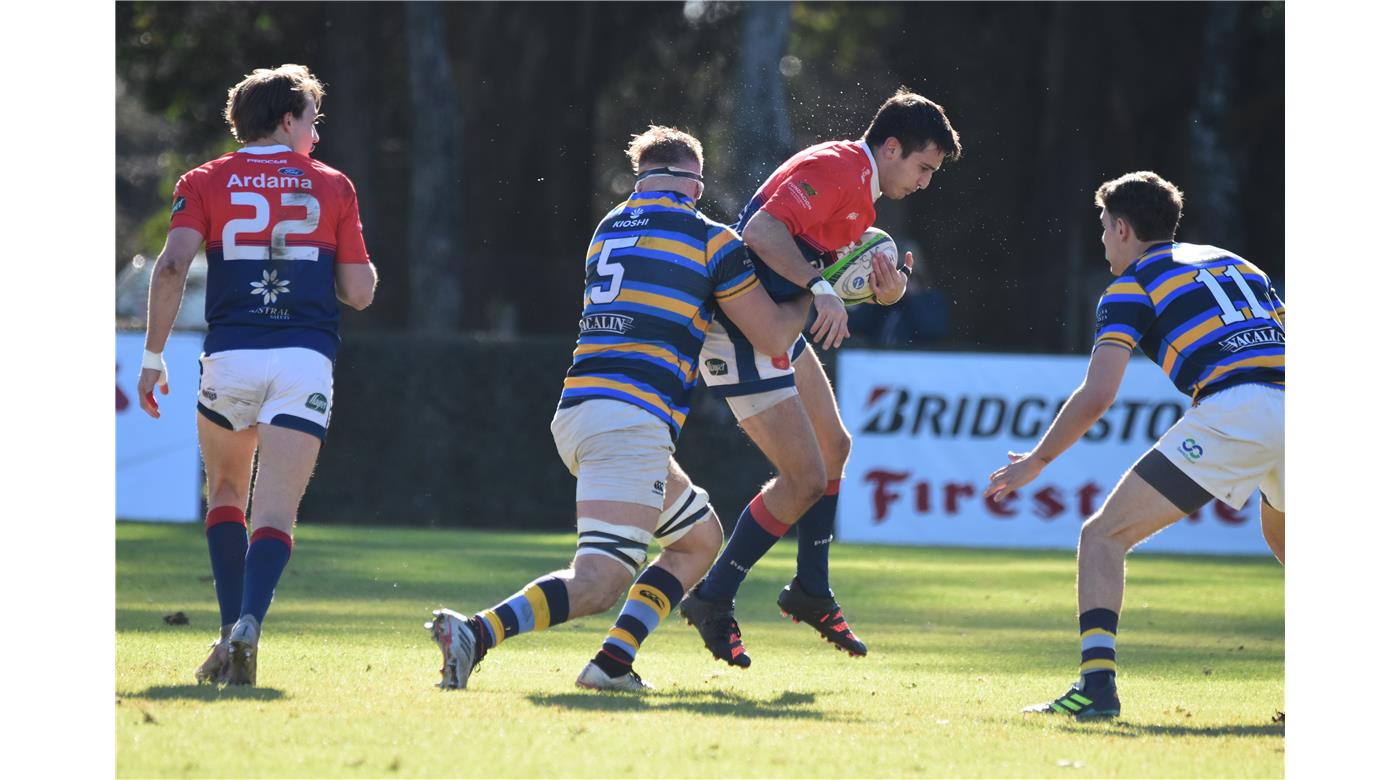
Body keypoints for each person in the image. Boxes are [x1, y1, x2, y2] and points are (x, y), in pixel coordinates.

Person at [426, 126, 811, 691]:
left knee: (699, 539)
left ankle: (611, 663)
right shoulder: (710, 239)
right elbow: (775, 337)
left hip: (584, 410)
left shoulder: (608, 229)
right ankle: (477, 633)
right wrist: (814, 288)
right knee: (600, 581)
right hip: (629, 421)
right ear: (693, 184)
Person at [984, 171, 1284, 719]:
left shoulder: (1132, 284)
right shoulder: (1236, 263)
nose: (1101, 241)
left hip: (1238, 409)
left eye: (1102, 228)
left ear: (1122, 228)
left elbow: (1098, 395)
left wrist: (1037, 460)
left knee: (1102, 536)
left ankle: (1096, 689)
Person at [678, 89, 962, 667]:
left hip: (774, 323)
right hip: (740, 326)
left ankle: (811, 588)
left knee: (835, 448)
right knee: (804, 478)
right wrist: (822, 288)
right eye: (923, 167)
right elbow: (760, 231)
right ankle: (713, 596)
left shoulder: (862, 194)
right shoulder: (838, 166)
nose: (927, 181)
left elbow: (836, 268)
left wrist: (891, 290)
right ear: (890, 146)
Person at [137, 64, 378, 686]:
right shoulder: (333, 186)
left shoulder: (205, 180)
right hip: (305, 359)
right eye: (312, 121)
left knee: (224, 495)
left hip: (231, 356)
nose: (316, 136)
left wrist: (152, 356)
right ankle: (250, 623)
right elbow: (359, 291)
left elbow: (171, 268)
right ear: (288, 119)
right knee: (275, 512)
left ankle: (228, 630)